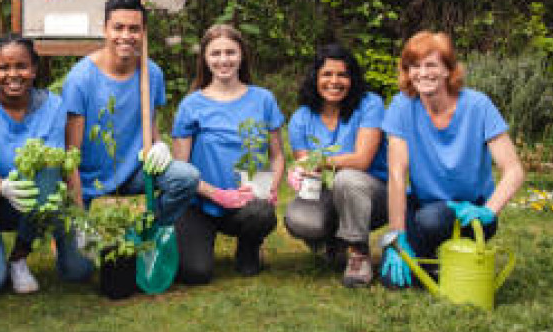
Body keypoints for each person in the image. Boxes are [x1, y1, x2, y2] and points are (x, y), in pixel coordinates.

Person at [0, 35, 94, 295]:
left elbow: (62, 165)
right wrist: (5, 187)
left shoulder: (54, 106)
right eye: (3, 68)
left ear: (34, 69)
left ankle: (19, 257)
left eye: (21, 66)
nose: (13, 74)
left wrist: (81, 220)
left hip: (34, 200)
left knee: (81, 269)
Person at [378, 31, 526, 288]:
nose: (422, 73)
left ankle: (441, 257)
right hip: (422, 205)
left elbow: (513, 170)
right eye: (414, 66)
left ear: (448, 69)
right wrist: (397, 235)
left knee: (432, 219)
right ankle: (434, 261)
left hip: (469, 212)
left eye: (431, 65)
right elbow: (397, 174)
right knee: (395, 280)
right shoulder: (401, 106)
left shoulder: (478, 106)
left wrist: (488, 211)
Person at [64, 0, 200, 239]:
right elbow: (70, 154)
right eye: (118, 27)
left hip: (135, 171)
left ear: (143, 33)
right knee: (78, 271)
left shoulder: (152, 73)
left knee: (186, 177)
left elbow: (151, 127)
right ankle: (78, 235)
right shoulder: (81, 79)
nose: (126, 36)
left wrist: (159, 146)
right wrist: (79, 218)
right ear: (104, 29)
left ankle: (141, 234)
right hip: (89, 179)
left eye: (134, 29)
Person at [170, 25, 284, 282]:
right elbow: (180, 170)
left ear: (242, 55)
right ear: (205, 59)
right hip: (200, 202)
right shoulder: (191, 105)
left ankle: (248, 248)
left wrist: (270, 189)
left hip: (245, 201)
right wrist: (218, 195)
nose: (224, 60)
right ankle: (198, 242)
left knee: (261, 214)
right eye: (216, 53)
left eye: (230, 52)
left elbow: (277, 156)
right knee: (194, 274)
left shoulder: (263, 99)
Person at [281, 43, 389, 288]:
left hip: (375, 195)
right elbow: (307, 167)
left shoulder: (370, 104)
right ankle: (334, 241)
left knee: (347, 178)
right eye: (327, 74)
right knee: (300, 217)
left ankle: (359, 254)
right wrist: (302, 171)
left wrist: (318, 161)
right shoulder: (301, 117)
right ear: (315, 78)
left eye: (342, 74)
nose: (334, 81)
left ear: (352, 78)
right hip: (328, 192)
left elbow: (362, 160)